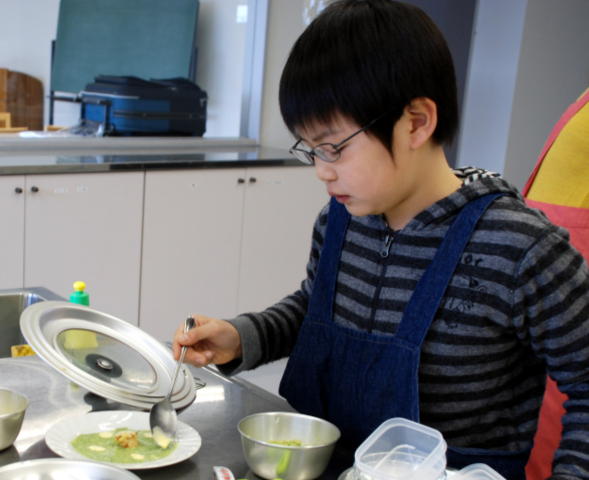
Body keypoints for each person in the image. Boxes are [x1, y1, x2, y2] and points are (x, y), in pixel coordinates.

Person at [173, 1, 589, 478]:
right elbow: (317, 308)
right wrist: (241, 337)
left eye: (334, 147)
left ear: (416, 122)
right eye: (311, 150)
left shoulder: (521, 248)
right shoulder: (341, 221)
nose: (322, 170)